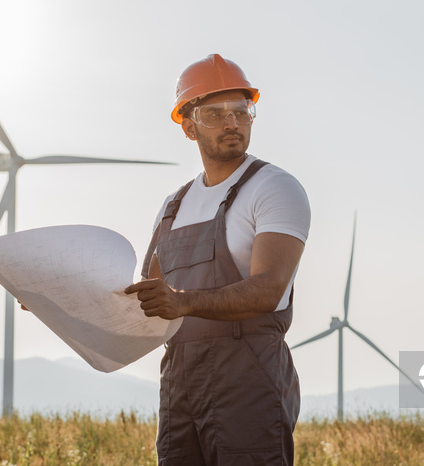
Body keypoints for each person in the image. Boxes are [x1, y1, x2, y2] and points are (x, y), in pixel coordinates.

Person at [124, 54, 311, 465]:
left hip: (248, 384)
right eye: (215, 114)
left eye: (241, 112)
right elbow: (148, 301)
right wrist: (62, 303)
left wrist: (184, 302)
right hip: (180, 387)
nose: (232, 123)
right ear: (188, 126)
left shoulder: (275, 188)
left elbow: (269, 288)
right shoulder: (173, 205)